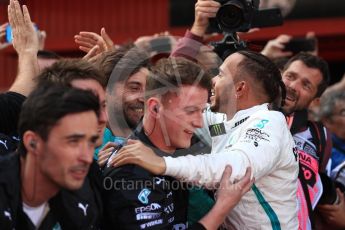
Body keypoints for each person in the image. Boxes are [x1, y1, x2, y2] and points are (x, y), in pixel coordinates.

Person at [111, 49, 299, 229]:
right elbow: (171, 104)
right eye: (195, 111)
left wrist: (162, 163)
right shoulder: (224, 118)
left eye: (221, 74)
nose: (213, 80)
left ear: (240, 88)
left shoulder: (270, 122)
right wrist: (123, 146)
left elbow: (235, 169)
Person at [102, 57, 253, 229]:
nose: (199, 123)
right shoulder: (129, 172)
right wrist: (221, 208)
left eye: (201, 111)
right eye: (190, 111)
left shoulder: (177, 151)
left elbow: (223, 128)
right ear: (154, 108)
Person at [0, 84, 100, 229]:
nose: (87, 158)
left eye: (91, 142)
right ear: (32, 142)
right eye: (73, 141)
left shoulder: (81, 196)